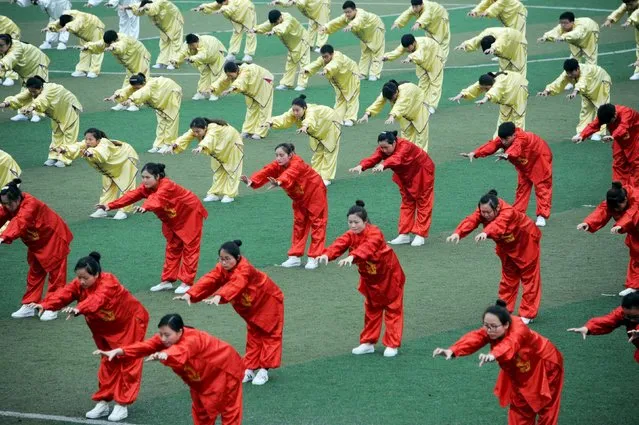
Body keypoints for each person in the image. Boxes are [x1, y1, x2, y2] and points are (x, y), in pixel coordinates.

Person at [31, 252, 149, 422]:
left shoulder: (109, 283)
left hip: (130, 325)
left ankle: (122, 404)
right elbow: (64, 293)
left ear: (96, 274)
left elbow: (97, 299)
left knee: (128, 361)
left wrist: (79, 309)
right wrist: (45, 304)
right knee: (107, 362)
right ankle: (103, 401)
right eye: (78, 277)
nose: (81, 282)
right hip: (105, 330)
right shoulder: (80, 285)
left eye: (85, 278)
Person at [95, 314, 244, 425]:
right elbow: (146, 346)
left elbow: (181, 351)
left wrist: (164, 354)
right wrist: (119, 351)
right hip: (201, 376)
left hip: (225, 370)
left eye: (167, 335)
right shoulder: (167, 337)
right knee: (200, 410)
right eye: (161, 334)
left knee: (228, 410)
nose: (163, 339)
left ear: (180, 331)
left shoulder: (192, 339)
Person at [433, 301, 563, 425]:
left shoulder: (519, 329)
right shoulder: (493, 328)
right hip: (520, 370)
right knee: (520, 406)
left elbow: (510, 343)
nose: (489, 330)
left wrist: (493, 354)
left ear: (506, 324)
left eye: (493, 327)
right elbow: (477, 336)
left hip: (544, 366)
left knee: (546, 406)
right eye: (486, 325)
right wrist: (452, 350)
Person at [175, 240, 284, 386]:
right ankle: (250, 368)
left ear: (237, 258)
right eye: (221, 259)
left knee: (270, 334)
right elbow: (211, 278)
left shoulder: (245, 268)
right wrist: (191, 293)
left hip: (268, 302)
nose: (224, 262)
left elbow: (238, 282)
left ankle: (264, 369)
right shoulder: (222, 268)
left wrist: (220, 295)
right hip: (250, 307)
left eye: (227, 259)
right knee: (253, 334)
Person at [97, 163, 208, 294]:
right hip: (172, 218)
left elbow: (157, 197)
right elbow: (132, 195)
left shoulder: (167, 185)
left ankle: (186, 282)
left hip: (190, 214)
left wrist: (146, 206)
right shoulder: (147, 188)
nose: (144, 181)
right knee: (172, 246)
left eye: (147, 177)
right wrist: (110, 206)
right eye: (142, 177)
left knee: (190, 247)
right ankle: (167, 281)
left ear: (157, 177)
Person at [319, 200, 406, 357]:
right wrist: (327, 254)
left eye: (356, 222)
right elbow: (340, 243)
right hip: (370, 280)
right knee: (371, 309)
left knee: (393, 309)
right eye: (350, 222)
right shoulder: (351, 235)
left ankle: (392, 344)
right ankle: (368, 342)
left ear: (365, 222)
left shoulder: (375, 233)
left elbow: (369, 247)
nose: (353, 226)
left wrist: (352, 257)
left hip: (389, 277)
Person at [446, 190, 542, 323]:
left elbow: (499, 224)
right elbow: (473, 219)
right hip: (506, 246)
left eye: (487, 213)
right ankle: (504, 310)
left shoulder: (508, 212)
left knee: (529, 278)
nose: (484, 215)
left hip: (525, 243)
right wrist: (458, 233)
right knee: (508, 277)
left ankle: (527, 313)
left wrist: (486, 232)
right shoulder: (484, 210)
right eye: (482, 212)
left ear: (497, 208)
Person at [241, 143, 327, 269]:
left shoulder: (297, 163)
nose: (278, 158)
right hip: (299, 197)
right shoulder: (278, 164)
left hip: (315, 193)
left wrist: (280, 181)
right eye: (276, 155)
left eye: (281, 155)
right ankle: (294, 257)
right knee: (299, 223)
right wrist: (252, 181)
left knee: (317, 224)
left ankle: (314, 257)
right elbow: (266, 171)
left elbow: (290, 174)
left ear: (290, 155)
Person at [0, 179, 73, 321]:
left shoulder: (30, 204)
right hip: (36, 242)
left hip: (53, 237)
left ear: (17, 198)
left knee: (56, 274)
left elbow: (21, 221)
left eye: (9, 203)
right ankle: (30, 304)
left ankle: (53, 306)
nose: (7, 207)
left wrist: (3, 237)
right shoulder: (10, 206)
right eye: (4, 204)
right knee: (35, 271)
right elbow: (2, 214)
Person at [350, 131, 435, 246]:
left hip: (421, 172)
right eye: (381, 147)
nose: (383, 150)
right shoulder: (383, 148)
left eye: (386, 147)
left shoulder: (405, 146)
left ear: (394, 143)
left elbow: (397, 158)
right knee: (407, 202)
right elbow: (375, 157)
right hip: (405, 175)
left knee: (423, 202)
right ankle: (404, 234)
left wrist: (383, 165)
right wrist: (362, 166)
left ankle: (420, 234)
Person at [460, 122, 553, 227]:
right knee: (522, 187)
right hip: (523, 163)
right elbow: (492, 145)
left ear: (514, 135)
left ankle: (542, 215)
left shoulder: (522, 137)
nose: (503, 142)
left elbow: (517, 147)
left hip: (540, 158)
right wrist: (475, 153)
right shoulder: (504, 138)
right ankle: (518, 214)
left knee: (542, 186)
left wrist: (508, 154)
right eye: (502, 139)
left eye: (506, 139)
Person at [55, 128, 139, 220]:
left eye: (90, 139)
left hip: (125, 160)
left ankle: (123, 210)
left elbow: (101, 154)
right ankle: (103, 209)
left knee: (126, 187)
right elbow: (76, 147)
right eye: (86, 139)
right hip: (110, 168)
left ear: (98, 140)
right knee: (107, 186)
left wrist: (90, 153)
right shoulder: (86, 144)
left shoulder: (104, 143)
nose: (87, 141)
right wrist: (63, 149)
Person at [0, 76, 82, 167]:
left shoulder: (50, 89)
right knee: (56, 134)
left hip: (69, 110)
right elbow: (20, 97)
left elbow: (42, 100)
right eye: (30, 91)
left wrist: (32, 107)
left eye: (34, 92)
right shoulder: (34, 89)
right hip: (56, 114)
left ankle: (65, 158)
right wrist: (5, 104)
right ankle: (54, 156)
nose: (32, 94)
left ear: (41, 88)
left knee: (69, 134)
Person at [577, 182, 639, 296]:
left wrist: (621, 224)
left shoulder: (636, 197)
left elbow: (632, 213)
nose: (616, 210)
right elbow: (602, 210)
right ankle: (634, 285)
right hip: (635, 233)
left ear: (625, 199)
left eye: (618, 207)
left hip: (634, 226)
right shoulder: (614, 201)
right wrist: (588, 223)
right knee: (636, 255)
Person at [164, 117, 244, 203]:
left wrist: (201, 146)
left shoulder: (213, 128)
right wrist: (175, 145)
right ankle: (214, 193)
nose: (196, 134)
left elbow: (209, 138)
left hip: (233, 146)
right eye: (194, 131)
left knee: (233, 170)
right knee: (218, 170)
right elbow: (186, 136)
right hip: (219, 148)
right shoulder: (196, 130)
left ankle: (229, 195)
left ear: (205, 128)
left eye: (198, 131)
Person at [265, 95, 341, 185]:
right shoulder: (293, 112)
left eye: (297, 110)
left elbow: (310, 119)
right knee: (318, 152)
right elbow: (284, 118)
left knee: (329, 151)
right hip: (317, 131)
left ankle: (325, 178)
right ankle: (316, 175)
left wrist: (305, 126)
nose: (295, 113)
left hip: (330, 124)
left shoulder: (311, 111)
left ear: (304, 108)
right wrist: (271, 122)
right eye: (293, 110)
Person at [106, 73, 182, 153]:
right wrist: (115, 95)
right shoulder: (138, 84)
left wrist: (131, 99)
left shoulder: (150, 84)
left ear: (143, 83)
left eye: (137, 88)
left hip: (172, 92)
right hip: (161, 97)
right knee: (161, 121)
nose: (136, 90)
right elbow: (127, 90)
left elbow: (143, 92)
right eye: (134, 88)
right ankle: (158, 145)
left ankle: (168, 144)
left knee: (171, 119)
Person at [538, 59, 611, 141]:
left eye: (571, 73)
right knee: (586, 108)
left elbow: (582, 82)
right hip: (588, 89)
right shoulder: (568, 73)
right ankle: (582, 132)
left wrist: (574, 92)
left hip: (601, 82)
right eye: (567, 73)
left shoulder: (586, 71)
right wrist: (547, 91)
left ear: (577, 69)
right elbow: (558, 82)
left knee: (602, 108)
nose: (569, 75)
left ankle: (599, 133)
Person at [82, 30, 151, 111]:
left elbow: (120, 46)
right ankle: (123, 102)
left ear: (114, 41)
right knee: (129, 80)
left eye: (109, 44)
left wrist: (113, 47)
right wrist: (87, 47)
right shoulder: (110, 39)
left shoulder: (124, 40)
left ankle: (136, 104)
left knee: (140, 80)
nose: (107, 45)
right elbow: (100, 44)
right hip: (130, 62)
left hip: (140, 57)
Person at [574, 104, 639, 188]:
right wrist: (582, 136)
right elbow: (594, 125)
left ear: (615, 114)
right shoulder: (604, 114)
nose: (608, 124)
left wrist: (613, 136)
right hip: (619, 139)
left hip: (635, 138)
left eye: (609, 122)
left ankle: (634, 192)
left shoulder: (627, 112)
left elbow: (623, 127)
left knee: (636, 165)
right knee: (618, 163)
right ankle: (619, 190)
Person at [321, 1, 385, 81]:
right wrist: (326, 27)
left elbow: (358, 21)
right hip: (365, 35)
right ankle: (362, 73)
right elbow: (337, 21)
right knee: (365, 52)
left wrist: (351, 25)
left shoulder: (362, 14)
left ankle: (374, 74)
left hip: (375, 29)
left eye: (349, 12)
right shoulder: (346, 17)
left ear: (355, 10)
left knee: (377, 51)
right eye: (345, 12)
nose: (347, 14)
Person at [450, 71, 528, 137]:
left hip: (519, 88)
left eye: (486, 89)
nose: (484, 90)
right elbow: (475, 87)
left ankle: (519, 142)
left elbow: (494, 91)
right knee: (504, 117)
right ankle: (498, 143)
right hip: (506, 92)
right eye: (483, 88)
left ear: (492, 84)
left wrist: (485, 99)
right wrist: (461, 95)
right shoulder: (487, 80)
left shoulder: (499, 83)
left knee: (518, 117)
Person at [567, 291, 639, 362]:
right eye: (628, 316)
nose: (631, 320)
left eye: (635, 317)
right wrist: (587, 328)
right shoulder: (624, 312)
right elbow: (608, 320)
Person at [359, 80, 430, 151]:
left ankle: (422, 157)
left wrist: (392, 116)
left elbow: (400, 104)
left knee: (421, 135)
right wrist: (367, 114)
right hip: (404, 113)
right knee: (406, 135)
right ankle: (408, 156)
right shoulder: (387, 91)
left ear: (396, 92)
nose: (390, 101)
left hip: (419, 109)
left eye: (392, 98)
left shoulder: (405, 91)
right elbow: (378, 102)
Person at [210, 61, 274, 140]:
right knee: (251, 107)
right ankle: (248, 130)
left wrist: (231, 89)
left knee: (264, 108)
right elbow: (221, 79)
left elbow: (240, 81)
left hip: (264, 81)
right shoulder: (229, 72)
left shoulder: (245, 71)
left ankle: (260, 132)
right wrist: (212, 88)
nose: (229, 77)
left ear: (236, 71)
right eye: (228, 75)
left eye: (230, 75)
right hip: (251, 88)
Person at [383, 34, 444, 113]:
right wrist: (386, 57)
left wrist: (410, 57)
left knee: (435, 83)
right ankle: (423, 104)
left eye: (409, 47)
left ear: (414, 43)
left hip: (435, 58)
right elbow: (398, 51)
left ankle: (432, 106)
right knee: (423, 82)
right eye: (406, 48)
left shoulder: (422, 44)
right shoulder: (407, 44)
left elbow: (419, 53)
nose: (407, 49)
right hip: (422, 62)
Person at [303, 44, 360, 125]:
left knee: (352, 97)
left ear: (332, 54)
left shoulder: (338, 57)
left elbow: (335, 64)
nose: (324, 59)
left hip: (351, 76)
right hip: (339, 82)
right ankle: (338, 118)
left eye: (326, 56)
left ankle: (350, 119)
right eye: (323, 57)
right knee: (340, 98)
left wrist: (326, 69)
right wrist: (307, 69)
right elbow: (316, 63)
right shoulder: (323, 59)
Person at [254, 10, 310, 91]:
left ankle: (302, 84)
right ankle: (286, 83)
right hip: (292, 45)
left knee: (304, 63)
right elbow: (266, 25)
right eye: (274, 23)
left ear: (280, 17)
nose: (275, 24)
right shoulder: (275, 20)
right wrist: (255, 29)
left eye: (276, 22)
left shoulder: (288, 18)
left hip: (302, 40)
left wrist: (274, 30)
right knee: (290, 63)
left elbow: (284, 27)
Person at [0, 34, 50, 122]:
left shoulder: (17, 46)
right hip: (25, 70)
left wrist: (1, 64)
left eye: (1, 45)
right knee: (25, 89)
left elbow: (10, 58)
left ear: (8, 44)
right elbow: (3, 69)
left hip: (37, 64)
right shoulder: (3, 51)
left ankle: (37, 114)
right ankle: (23, 113)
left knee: (38, 89)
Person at [46, 10, 105, 78]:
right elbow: (58, 22)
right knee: (84, 50)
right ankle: (82, 70)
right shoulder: (67, 15)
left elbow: (77, 23)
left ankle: (94, 71)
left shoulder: (80, 17)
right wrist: (50, 27)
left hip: (95, 29)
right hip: (84, 34)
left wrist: (67, 27)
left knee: (96, 49)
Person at [126, 0, 183, 69]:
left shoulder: (160, 2)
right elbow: (139, 6)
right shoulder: (148, 2)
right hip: (163, 24)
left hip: (174, 21)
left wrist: (145, 7)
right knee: (164, 42)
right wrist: (128, 7)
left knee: (175, 42)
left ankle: (174, 62)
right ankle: (162, 62)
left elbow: (152, 8)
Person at [170, 34, 226, 101]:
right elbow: (182, 53)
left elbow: (202, 55)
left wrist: (192, 58)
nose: (191, 47)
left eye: (193, 45)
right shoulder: (186, 45)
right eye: (190, 45)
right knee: (204, 73)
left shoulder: (204, 44)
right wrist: (175, 60)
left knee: (215, 74)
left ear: (197, 42)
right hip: (204, 60)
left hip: (215, 54)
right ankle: (201, 93)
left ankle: (214, 93)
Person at [455, 26, 527, 77]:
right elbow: (477, 39)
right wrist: (465, 45)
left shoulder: (503, 36)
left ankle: (520, 88)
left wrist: (493, 48)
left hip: (518, 43)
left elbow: (499, 42)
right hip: (502, 47)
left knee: (518, 68)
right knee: (504, 70)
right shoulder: (486, 32)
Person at [616, 1, 639, 80]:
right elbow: (619, 11)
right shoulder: (628, 4)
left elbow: (636, 13)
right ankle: (638, 72)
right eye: (627, 4)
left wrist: (629, 21)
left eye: (630, 4)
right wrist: (610, 19)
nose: (628, 7)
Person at [0, 15, 21, 86]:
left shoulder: (4, 22)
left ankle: (11, 77)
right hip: (2, 37)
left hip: (12, 35)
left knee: (10, 55)